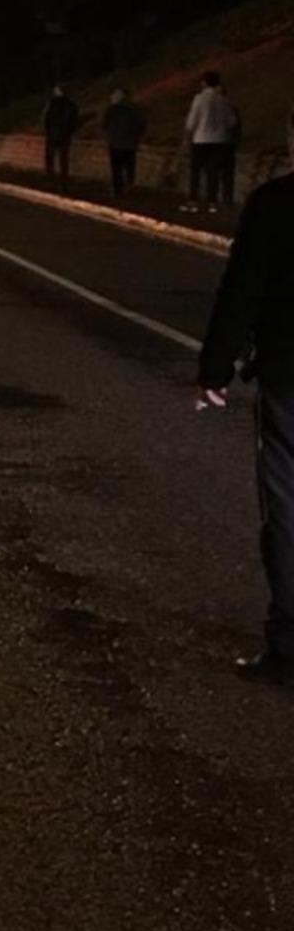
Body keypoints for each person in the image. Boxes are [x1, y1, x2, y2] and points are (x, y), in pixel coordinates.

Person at [198, 109, 294, 685]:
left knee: (287, 512)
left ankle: (289, 645)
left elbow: (242, 291)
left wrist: (216, 367)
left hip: (289, 378)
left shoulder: (274, 205)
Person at [183, 70, 236, 214]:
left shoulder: (199, 99)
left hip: (200, 139)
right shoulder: (224, 100)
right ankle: (212, 202)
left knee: (196, 171)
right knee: (213, 172)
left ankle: (193, 201)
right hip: (220, 140)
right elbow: (232, 122)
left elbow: (192, 121)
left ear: (204, 82)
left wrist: (189, 131)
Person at [101, 88, 145, 199]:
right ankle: (129, 185)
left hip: (116, 143)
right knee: (129, 166)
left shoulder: (112, 110)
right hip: (130, 144)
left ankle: (118, 189)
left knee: (116, 168)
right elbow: (141, 125)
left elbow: (104, 124)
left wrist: (109, 136)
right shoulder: (134, 109)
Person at [42, 85, 80, 191]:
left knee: (50, 159)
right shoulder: (72, 105)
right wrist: (68, 132)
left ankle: (50, 181)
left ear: (58, 92)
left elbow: (46, 119)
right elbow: (74, 121)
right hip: (65, 136)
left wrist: (48, 131)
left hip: (53, 135)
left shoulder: (51, 104)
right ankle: (63, 184)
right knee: (63, 160)